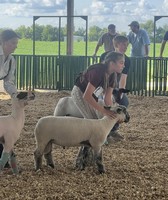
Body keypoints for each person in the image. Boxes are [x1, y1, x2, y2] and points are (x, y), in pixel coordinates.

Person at [71, 51, 125, 166]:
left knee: (95, 123)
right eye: (121, 63)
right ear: (111, 63)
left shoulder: (113, 76)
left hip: (91, 95)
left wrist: (112, 114)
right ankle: (82, 161)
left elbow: (107, 98)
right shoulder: (98, 71)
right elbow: (86, 95)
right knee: (92, 124)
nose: (123, 65)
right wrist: (105, 111)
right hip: (80, 92)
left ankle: (86, 159)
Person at [99, 35, 130, 141]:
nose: (125, 47)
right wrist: (104, 90)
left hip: (114, 86)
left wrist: (121, 92)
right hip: (102, 85)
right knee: (104, 102)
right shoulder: (105, 55)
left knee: (124, 102)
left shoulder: (127, 60)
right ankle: (102, 129)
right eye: (123, 44)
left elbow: (123, 78)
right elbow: (102, 73)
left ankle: (113, 129)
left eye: (126, 45)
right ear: (116, 45)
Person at [0, 29, 19, 168]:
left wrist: (16, 96)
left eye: (16, 43)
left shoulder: (11, 60)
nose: (15, 46)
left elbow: (8, 82)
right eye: (13, 43)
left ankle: (3, 158)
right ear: (4, 42)